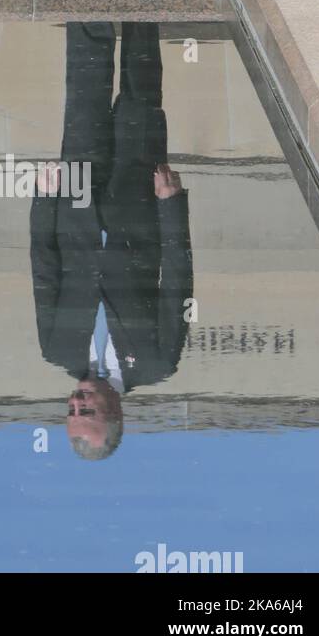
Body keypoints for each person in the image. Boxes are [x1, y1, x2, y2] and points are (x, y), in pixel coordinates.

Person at [30, 23, 192, 460]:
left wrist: (44, 199)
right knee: (140, 92)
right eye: (88, 410)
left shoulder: (56, 349)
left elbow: (43, 268)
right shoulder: (158, 363)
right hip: (138, 201)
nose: (77, 401)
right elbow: (177, 282)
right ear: (116, 414)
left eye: (71, 410)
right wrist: (171, 207)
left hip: (76, 201)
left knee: (84, 91)